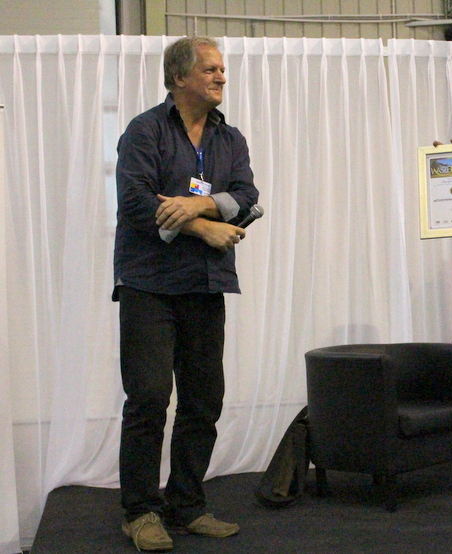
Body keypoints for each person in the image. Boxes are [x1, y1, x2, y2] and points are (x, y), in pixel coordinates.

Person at [113, 36, 259, 552]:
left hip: (205, 284)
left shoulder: (229, 138)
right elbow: (135, 201)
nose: (221, 76)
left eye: (222, 69)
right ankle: (140, 512)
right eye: (210, 69)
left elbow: (247, 198)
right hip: (148, 285)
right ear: (179, 77)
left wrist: (197, 206)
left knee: (203, 401)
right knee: (149, 399)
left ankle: (187, 504)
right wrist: (205, 227)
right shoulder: (145, 130)